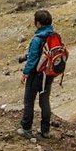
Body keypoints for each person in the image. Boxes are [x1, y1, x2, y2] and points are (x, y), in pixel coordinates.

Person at [19, 9, 60, 138]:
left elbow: (33, 59)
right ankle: (45, 130)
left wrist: (25, 73)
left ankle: (26, 129)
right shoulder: (54, 36)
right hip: (49, 74)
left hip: (36, 75)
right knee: (44, 101)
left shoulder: (37, 39)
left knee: (29, 101)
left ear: (37, 23)